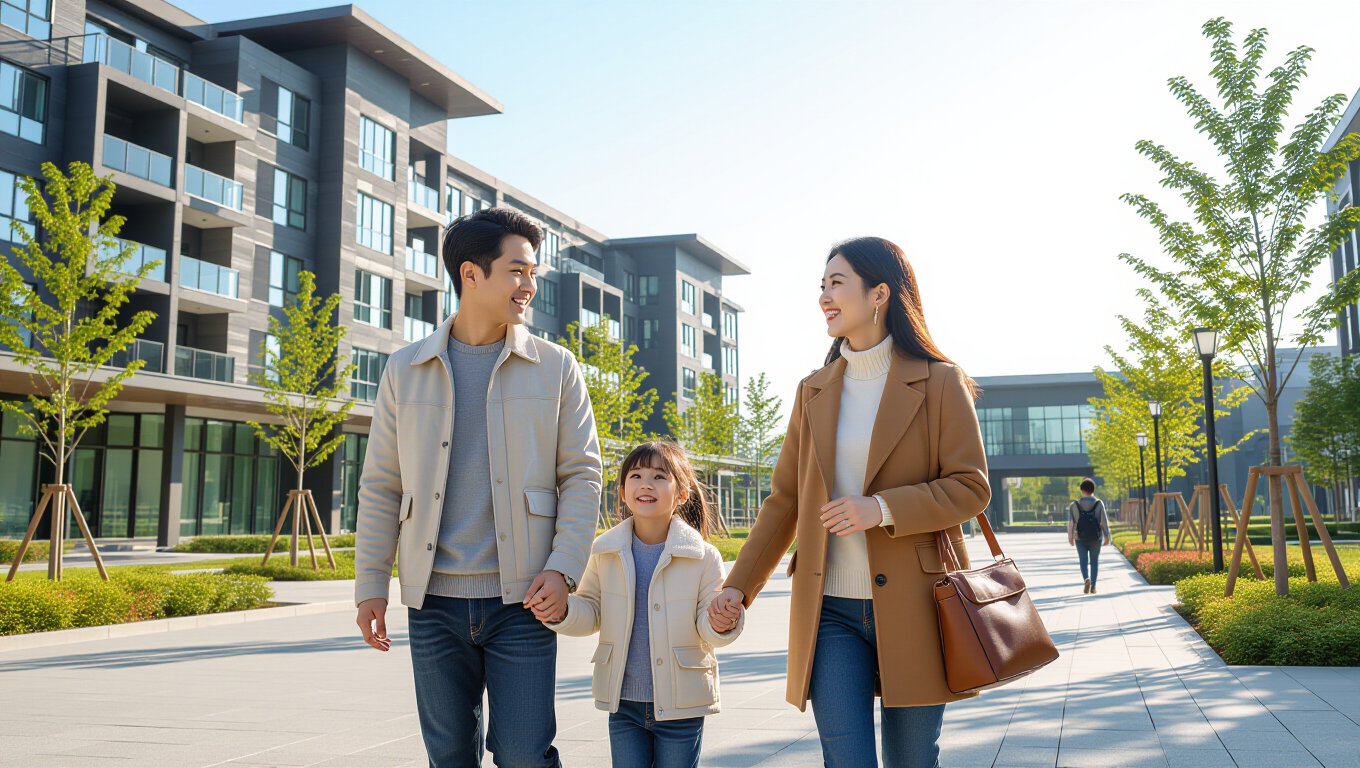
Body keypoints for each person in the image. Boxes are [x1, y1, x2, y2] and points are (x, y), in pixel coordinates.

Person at [710, 237, 991, 768]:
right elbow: (785, 501)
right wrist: (737, 588)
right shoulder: (813, 389)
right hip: (830, 610)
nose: (824, 297)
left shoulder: (939, 381)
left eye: (836, 284)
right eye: (822, 286)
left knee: (912, 760)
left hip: (919, 604)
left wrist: (880, 509)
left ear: (879, 293)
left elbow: (970, 487)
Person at [353, 208, 603, 768]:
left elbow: (582, 476)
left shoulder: (556, 367)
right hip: (434, 602)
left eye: (533, 273)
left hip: (524, 601)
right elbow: (381, 485)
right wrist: (371, 584)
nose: (529, 286)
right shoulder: (404, 368)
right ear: (470, 273)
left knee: (524, 755)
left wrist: (563, 569)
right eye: (517, 271)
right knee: (448, 756)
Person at [545, 441, 743, 768]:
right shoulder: (603, 552)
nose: (646, 484)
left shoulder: (703, 556)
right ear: (623, 493)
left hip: (682, 706)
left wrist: (722, 622)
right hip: (624, 705)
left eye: (659, 476)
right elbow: (591, 610)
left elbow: (707, 622)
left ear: (682, 494)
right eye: (636, 476)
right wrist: (563, 611)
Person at [1068, 478, 1111, 594]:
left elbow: (1071, 523)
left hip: (1079, 537)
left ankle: (1086, 579)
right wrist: (1107, 537)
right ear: (1093, 490)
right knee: (1094, 561)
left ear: (1081, 490)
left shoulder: (1074, 505)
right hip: (1096, 537)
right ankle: (1093, 586)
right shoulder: (1099, 503)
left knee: (1083, 560)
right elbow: (1104, 522)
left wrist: (1071, 538)